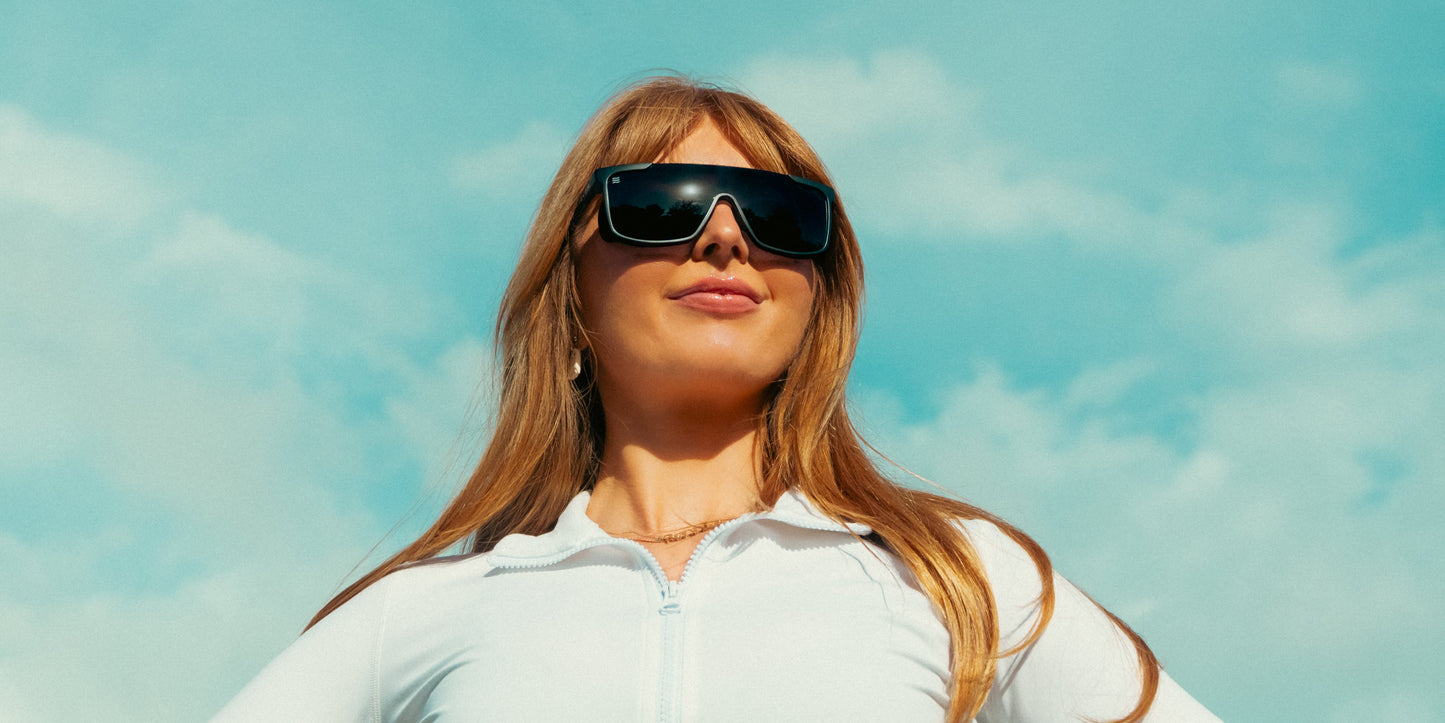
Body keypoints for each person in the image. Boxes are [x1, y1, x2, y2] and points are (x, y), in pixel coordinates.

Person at [212, 76, 1221, 722]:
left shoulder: (959, 579)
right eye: (661, 205)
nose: (726, 238)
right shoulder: (420, 615)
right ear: (569, 281)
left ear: (815, 296)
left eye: (782, 217)